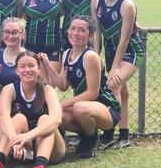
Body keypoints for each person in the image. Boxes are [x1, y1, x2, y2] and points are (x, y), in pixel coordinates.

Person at [41, 15, 121, 158]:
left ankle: (91, 140)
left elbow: (92, 94)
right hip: (84, 108)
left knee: (78, 107)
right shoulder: (66, 54)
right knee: (60, 115)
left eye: (81, 30)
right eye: (73, 28)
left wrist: (63, 104)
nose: (75, 33)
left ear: (90, 36)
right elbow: (63, 85)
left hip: (106, 108)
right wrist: (47, 65)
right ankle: (85, 136)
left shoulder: (90, 56)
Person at [0, 51, 65, 168]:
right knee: (18, 118)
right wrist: (15, 140)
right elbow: (4, 117)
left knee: (45, 119)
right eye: (23, 66)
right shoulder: (9, 89)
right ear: (16, 70)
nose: (27, 70)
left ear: (39, 69)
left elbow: (56, 119)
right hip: (22, 149)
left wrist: (27, 136)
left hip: (50, 151)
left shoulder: (47, 90)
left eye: (31, 66)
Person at [91, 0, 145, 149]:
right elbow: (96, 31)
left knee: (114, 84)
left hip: (131, 51)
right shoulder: (96, 0)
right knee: (122, 92)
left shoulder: (127, 4)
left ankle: (107, 135)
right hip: (111, 51)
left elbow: (124, 38)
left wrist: (114, 66)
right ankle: (124, 135)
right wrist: (95, 55)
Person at [18, 0, 64, 73]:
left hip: (54, 45)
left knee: (50, 84)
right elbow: (19, 17)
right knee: (33, 81)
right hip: (31, 46)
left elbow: (63, 12)